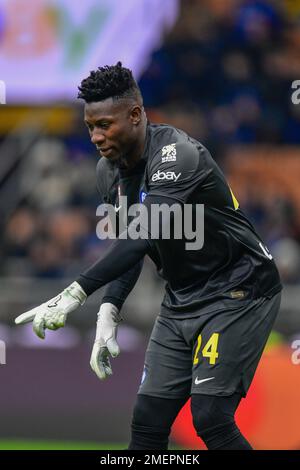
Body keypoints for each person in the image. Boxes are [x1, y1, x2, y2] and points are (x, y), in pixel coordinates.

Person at [15, 62, 282, 450]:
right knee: (147, 421)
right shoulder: (108, 173)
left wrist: (77, 292)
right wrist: (110, 309)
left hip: (238, 290)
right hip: (182, 298)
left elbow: (144, 234)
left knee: (210, 417)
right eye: (90, 126)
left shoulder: (178, 156)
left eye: (104, 124)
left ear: (136, 115)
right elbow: (129, 245)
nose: (95, 136)